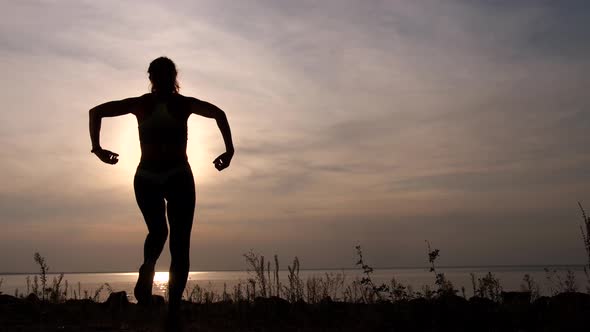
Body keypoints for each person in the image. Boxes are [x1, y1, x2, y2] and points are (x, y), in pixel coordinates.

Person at [88, 57, 234, 319]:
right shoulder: (181, 103)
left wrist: (98, 149)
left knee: (159, 233)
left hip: (149, 176)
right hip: (175, 175)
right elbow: (219, 113)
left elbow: (95, 111)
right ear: (174, 76)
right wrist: (229, 150)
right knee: (179, 243)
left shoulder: (141, 104)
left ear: (151, 78)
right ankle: (173, 307)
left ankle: (151, 271)